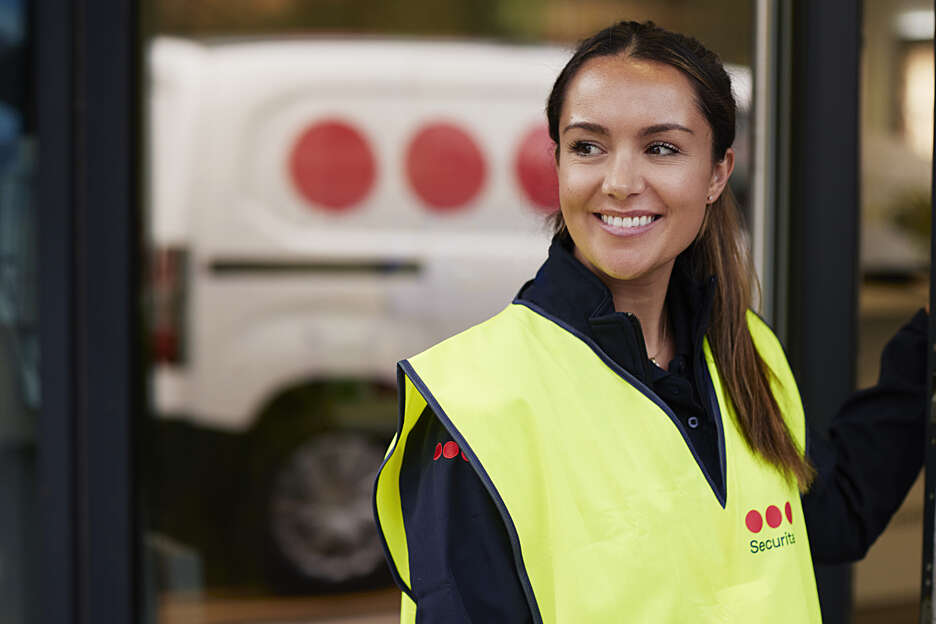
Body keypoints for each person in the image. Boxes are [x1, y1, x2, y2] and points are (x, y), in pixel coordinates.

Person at [372, 20, 928, 623]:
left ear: (717, 173)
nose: (619, 183)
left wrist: (924, 344)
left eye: (661, 148)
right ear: (557, 163)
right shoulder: (473, 403)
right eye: (588, 147)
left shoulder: (747, 350)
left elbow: (833, 516)